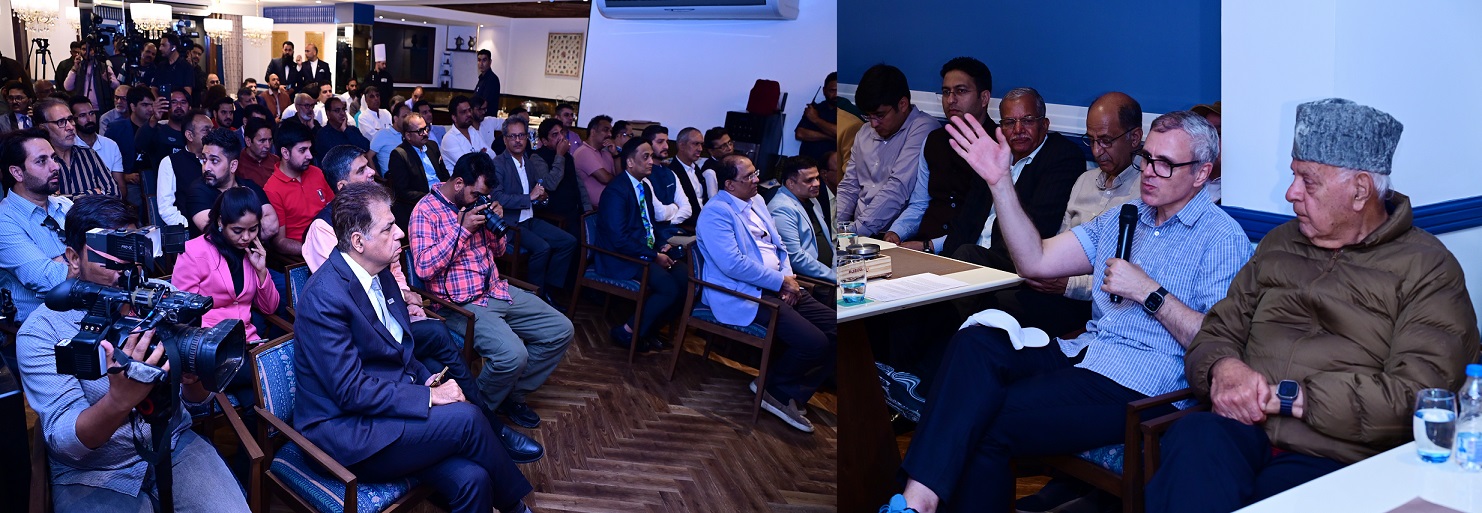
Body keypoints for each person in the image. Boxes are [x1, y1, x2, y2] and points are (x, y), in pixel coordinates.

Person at [884, 111, 1251, 513]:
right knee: (976, 342)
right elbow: (1035, 261)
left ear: (1201, 173)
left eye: (1165, 164)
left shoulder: (1221, 238)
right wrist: (1000, 182)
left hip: (1144, 384)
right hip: (1087, 353)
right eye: (1147, 157)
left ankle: (917, 503)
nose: (1148, 171)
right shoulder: (1126, 216)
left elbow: (1214, 340)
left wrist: (1149, 292)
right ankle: (917, 502)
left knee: (988, 420)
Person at [1145, 99, 1481, 513]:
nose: (1291, 193)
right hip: (1243, 431)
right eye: (1293, 175)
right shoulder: (1280, 243)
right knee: (1195, 440)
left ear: (1359, 190)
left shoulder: (1428, 268)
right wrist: (1225, 368)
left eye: (1308, 181)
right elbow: (1218, 329)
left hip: (1338, 454)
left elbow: (1418, 394)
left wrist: (1286, 399)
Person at [294, 182, 537, 513]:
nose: (400, 233)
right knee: (467, 419)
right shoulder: (324, 298)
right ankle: (516, 509)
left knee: (474, 479)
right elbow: (350, 391)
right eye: (388, 228)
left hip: (384, 413)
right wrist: (428, 397)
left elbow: (398, 352)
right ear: (358, 242)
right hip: (345, 433)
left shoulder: (379, 272)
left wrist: (427, 379)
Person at [17, 194, 251, 513]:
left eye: (132, 256)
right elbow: (66, 442)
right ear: (73, 258)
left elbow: (197, 400)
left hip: (172, 442)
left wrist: (193, 376)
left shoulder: (162, 297)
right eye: (110, 258)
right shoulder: (42, 331)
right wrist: (118, 401)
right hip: (95, 472)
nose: (126, 272)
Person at [410, 151, 574, 431]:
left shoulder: (476, 202)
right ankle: (477, 413)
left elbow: (498, 252)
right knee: (513, 355)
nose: (479, 199)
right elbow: (424, 268)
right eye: (476, 193)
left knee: (561, 329)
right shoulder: (425, 211)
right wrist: (462, 230)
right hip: (460, 303)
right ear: (458, 183)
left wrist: (496, 226)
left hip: (496, 289)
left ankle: (511, 394)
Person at [696, 153, 837, 433]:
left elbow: (779, 246)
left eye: (755, 172)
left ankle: (783, 389)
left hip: (778, 285)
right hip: (743, 292)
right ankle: (776, 392)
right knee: (815, 342)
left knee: (838, 327)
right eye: (748, 176)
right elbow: (733, 264)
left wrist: (787, 278)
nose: (756, 179)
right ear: (729, 184)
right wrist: (779, 282)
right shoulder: (716, 213)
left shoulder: (757, 200)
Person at [939, 87, 1081, 272]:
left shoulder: (1062, 156)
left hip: (1013, 265)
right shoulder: (994, 151)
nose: (1018, 130)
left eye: (1027, 121)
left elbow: (1041, 227)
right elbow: (966, 218)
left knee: (967, 254)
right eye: (1009, 122)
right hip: (970, 258)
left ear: (1044, 124)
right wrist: (945, 263)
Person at [882, 57, 999, 253]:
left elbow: (985, 220)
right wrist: (896, 232)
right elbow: (920, 204)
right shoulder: (934, 140)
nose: (951, 100)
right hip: (922, 242)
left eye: (961, 91)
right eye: (946, 92)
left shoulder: (998, 145)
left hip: (966, 250)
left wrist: (929, 246)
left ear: (984, 98)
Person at [596, 138, 688, 352]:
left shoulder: (644, 186)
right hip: (619, 256)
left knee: (685, 278)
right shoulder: (616, 191)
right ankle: (627, 331)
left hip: (640, 251)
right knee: (668, 287)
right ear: (629, 162)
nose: (651, 162)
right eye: (645, 157)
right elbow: (619, 239)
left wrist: (661, 246)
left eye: (651, 156)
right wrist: (653, 256)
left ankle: (647, 330)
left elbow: (649, 225)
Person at [837, 64, 939, 237]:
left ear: (903, 104)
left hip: (895, 235)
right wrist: (835, 227)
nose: (873, 124)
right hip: (857, 229)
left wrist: (853, 233)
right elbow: (849, 187)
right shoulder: (864, 132)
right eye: (868, 116)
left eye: (880, 115)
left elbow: (897, 188)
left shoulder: (923, 128)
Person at [172, 186, 278, 342]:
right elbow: (183, 311)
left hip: (247, 340)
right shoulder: (193, 252)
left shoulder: (252, 253)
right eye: (237, 230)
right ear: (221, 221)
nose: (246, 237)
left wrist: (261, 271)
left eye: (253, 229)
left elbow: (269, 308)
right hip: (206, 341)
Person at [491, 117, 577, 300]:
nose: (518, 140)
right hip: (510, 224)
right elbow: (498, 198)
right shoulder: (498, 163)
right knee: (543, 248)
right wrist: (529, 197)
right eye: (512, 136)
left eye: (521, 135)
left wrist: (542, 198)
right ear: (505, 139)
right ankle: (535, 295)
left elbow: (536, 194)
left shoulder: (528, 162)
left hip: (530, 219)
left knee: (568, 241)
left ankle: (551, 289)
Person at [0, 128, 70, 328]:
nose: (55, 166)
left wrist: (61, 260)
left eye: (53, 158)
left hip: (84, 311)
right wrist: (84, 258)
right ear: (17, 173)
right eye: (41, 161)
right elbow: (47, 278)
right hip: (40, 325)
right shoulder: (4, 221)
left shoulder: (65, 206)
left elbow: (102, 250)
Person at [177, 127, 279, 239]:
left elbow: (272, 226)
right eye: (204, 160)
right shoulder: (198, 191)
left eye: (214, 161)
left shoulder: (250, 187)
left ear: (233, 165)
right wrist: (252, 229)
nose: (206, 167)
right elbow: (214, 232)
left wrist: (236, 231)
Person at [264, 122, 333, 254]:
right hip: (303, 254)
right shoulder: (272, 189)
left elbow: (333, 209)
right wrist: (313, 251)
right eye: (302, 150)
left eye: (310, 149)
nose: (310, 156)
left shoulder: (316, 173)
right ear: (285, 153)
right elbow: (279, 242)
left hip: (331, 243)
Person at [767, 155, 834, 282]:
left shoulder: (811, 198)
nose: (817, 184)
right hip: (811, 281)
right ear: (790, 183)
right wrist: (834, 276)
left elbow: (828, 241)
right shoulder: (781, 209)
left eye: (817, 178)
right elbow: (796, 258)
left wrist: (837, 269)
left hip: (829, 272)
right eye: (809, 180)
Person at [36, 98, 119, 198]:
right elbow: (47, 202)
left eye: (70, 119)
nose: (70, 127)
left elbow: (114, 194)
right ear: (43, 128)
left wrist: (64, 198)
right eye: (61, 122)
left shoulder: (89, 154)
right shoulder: (40, 162)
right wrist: (92, 193)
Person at [385, 112, 450, 229]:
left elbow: (444, 175)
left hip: (443, 198)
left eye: (426, 128)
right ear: (408, 135)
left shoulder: (432, 146)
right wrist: (431, 197)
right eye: (420, 131)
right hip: (420, 205)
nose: (425, 133)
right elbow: (402, 191)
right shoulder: (399, 155)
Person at [156, 113, 213, 228]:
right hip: (188, 228)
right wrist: (189, 226)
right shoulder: (170, 162)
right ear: (189, 135)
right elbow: (166, 208)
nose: (212, 134)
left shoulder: (218, 161)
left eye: (213, 129)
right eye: (206, 130)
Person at [531, 119, 587, 233]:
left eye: (562, 132)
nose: (561, 137)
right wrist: (560, 155)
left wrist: (587, 209)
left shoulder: (568, 156)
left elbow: (579, 184)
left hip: (573, 212)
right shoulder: (537, 157)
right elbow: (550, 184)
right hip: (553, 215)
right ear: (544, 141)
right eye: (555, 135)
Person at [69, 96, 127, 199]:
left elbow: (121, 188)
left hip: (109, 204)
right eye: (82, 115)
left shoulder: (110, 145)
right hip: (80, 204)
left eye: (91, 113)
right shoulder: (69, 147)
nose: (89, 119)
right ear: (73, 120)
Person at [640, 125, 692, 240]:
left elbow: (687, 209)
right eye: (660, 142)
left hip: (674, 229)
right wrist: (675, 207)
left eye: (667, 142)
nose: (666, 146)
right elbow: (659, 214)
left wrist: (669, 221)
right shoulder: (643, 175)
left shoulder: (670, 173)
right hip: (654, 236)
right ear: (647, 146)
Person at [668, 126, 717, 222]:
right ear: (682, 145)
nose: (700, 149)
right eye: (696, 144)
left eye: (701, 144)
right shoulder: (671, 172)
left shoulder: (697, 169)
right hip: (688, 223)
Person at [572, 115, 616, 208]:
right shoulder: (584, 152)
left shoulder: (606, 153)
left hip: (609, 205)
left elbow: (621, 178)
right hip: (592, 209)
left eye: (610, 131)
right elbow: (605, 178)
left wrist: (615, 154)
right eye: (605, 130)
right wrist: (615, 178)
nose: (610, 134)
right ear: (593, 132)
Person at [312, 97, 370, 166]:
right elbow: (339, 158)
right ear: (328, 114)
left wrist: (346, 130)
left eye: (343, 109)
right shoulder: (323, 134)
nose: (342, 113)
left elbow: (366, 147)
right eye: (337, 111)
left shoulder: (352, 130)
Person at [794, 72, 838, 162]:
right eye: (832, 91)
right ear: (824, 91)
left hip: (830, 165)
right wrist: (830, 137)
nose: (836, 94)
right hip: (806, 162)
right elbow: (800, 134)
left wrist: (815, 119)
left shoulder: (847, 112)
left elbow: (839, 132)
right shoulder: (814, 109)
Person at [62, 47, 120, 113]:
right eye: (84, 49)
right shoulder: (77, 68)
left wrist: (109, 81)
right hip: (83, 110)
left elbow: (117, 86)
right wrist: (74, 68)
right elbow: (68, 87)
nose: (86, 52)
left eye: (90, 49)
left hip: (101, 109)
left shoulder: (103, 67)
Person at [442, 95, 491, 170]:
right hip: (463, 177)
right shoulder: (449, 138)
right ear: (454, 117)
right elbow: (467, 166)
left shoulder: (472, 130)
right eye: (464, 112)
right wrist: (482, 155)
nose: (469, 114)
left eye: (469, 110)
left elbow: (491, 154)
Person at [1191, 100, 1222, 202]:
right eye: (1206, 132)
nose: (1209, 140)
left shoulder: (1246, 189)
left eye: (1218, 133)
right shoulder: (1186, 179)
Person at [236, 118, 279, 187]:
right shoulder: (237, 165)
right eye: (262, 141)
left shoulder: (276, 161)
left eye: (270, 140)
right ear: (248, 141)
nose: (268, 146)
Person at [371, 102, 413, 173]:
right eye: (404, 116)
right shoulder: (383, 134)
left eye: (410, 117)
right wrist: (376, 177)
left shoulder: (411, 135)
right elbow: (369, 156)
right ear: (396, 119)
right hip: (391, 176)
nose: (408, 120)